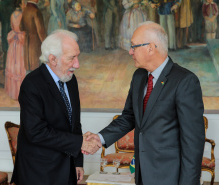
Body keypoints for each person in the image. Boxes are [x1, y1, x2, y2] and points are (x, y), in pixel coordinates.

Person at [83, 21, 205, 185]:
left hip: (171, 177)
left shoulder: (185, 81)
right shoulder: (139, 77)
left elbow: (193, 143)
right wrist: (99, 138)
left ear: (151, 47)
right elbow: (129, 117)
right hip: (142, 175)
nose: (130, 51)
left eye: (134, 46)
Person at [10, 29, 101, 185]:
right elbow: (36, 132)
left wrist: (78, 161)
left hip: (68, 168)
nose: (77, 64)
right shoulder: (32, 84)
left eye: (77, 57)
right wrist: (80, 143)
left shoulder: (71, 80)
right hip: (39, 172)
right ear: (53, 59)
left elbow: (75, 124)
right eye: (72, 58)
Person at [5, 4, 26, 100]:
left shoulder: (12, 15)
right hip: (20, 42)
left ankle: (13, 92)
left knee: (14, 65)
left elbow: (12, 25)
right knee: (19, 65)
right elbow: (23, 27)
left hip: (14, 40)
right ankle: (19, 93)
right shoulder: (23, 15)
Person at [20, 0, 46, 73]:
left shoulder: (25, 10)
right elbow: (41, 31)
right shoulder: (36, 11)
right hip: (35, 43)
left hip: (27, 43)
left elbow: (21, 27)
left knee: (28, 68)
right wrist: (46, 43)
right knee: (36, 67)